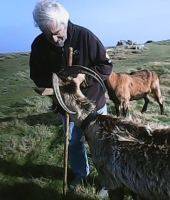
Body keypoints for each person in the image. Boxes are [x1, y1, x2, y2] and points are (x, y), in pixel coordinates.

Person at [29, 0, 113, 193]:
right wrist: (56, 86)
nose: (54, 39)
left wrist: (84, 78)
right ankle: (81, 175)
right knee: (73, 141)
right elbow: (37, 75)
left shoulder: (85, 36)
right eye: (47, 34)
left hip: (92, 103)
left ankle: (107, 181)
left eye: (58, 32)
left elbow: (106, 65)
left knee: (100, 143)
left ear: (65, 22)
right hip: (66, 106)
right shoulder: (39, 45)